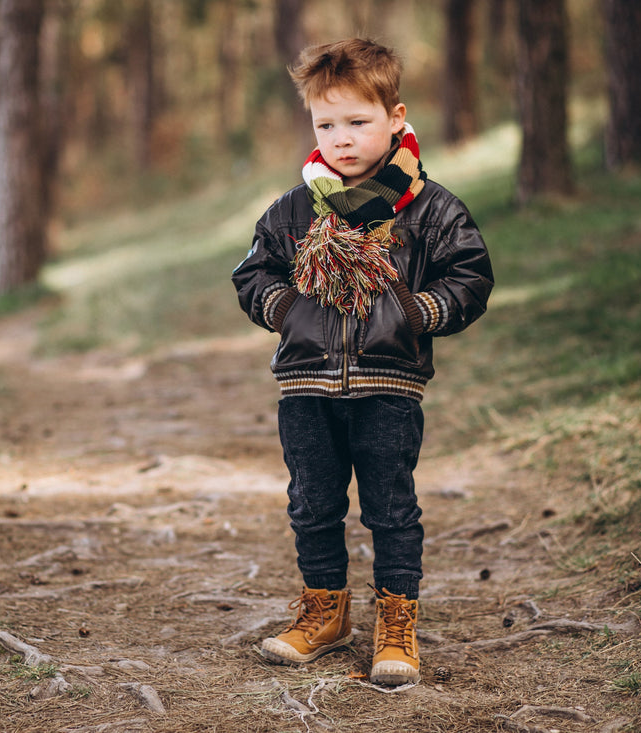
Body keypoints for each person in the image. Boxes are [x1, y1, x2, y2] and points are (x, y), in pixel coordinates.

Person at [231, 38, 494, 685]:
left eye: (358, 121)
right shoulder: (295, 209)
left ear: (396, 116)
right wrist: (284, 307)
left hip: (388, 384)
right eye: (327, 124)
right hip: (306, 385)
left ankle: (395, 623)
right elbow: (253, 272)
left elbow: (471, 275)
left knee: (390, 507)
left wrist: (419, 311)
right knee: (313, 503)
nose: (341, 138)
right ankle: (325, 611)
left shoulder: (429, 208)